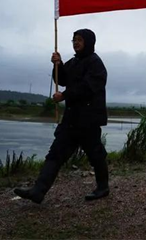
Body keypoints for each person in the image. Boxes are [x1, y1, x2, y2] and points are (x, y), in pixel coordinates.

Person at [14, 29, 109, 204]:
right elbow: (62, 80)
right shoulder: (73, 62)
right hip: (71, 118)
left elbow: (88, 87)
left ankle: (103, 187)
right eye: (74, 40)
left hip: (88, 119)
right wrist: (57, 65)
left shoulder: (96, 63)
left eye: (79, 40)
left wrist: (64, 96)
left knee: (95, 154)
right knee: (56, 152)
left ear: (89, 41)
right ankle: (38, 191)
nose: (76, 43)